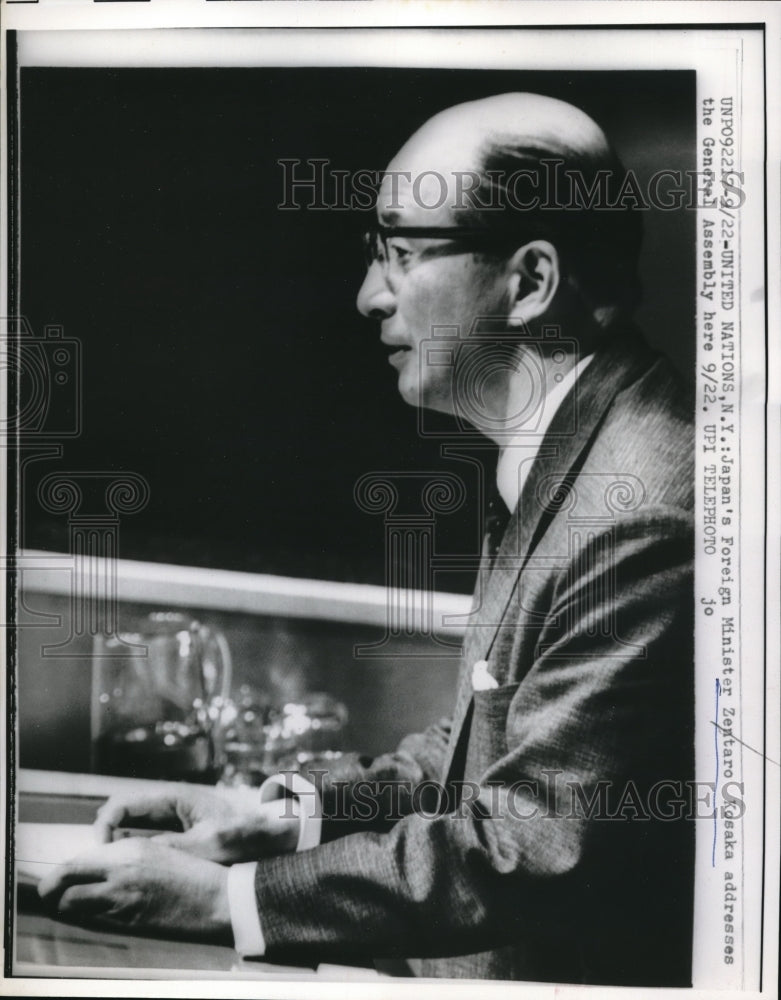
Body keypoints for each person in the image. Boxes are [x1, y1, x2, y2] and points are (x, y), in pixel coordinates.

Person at [38, 93, 695, 986]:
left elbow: (532, 844)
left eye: (400, 252)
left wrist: (225, 901)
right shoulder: (582, 442)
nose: (368, 296)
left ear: (530, 280)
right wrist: (282, 815)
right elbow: (485, 742)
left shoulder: (639, 508)